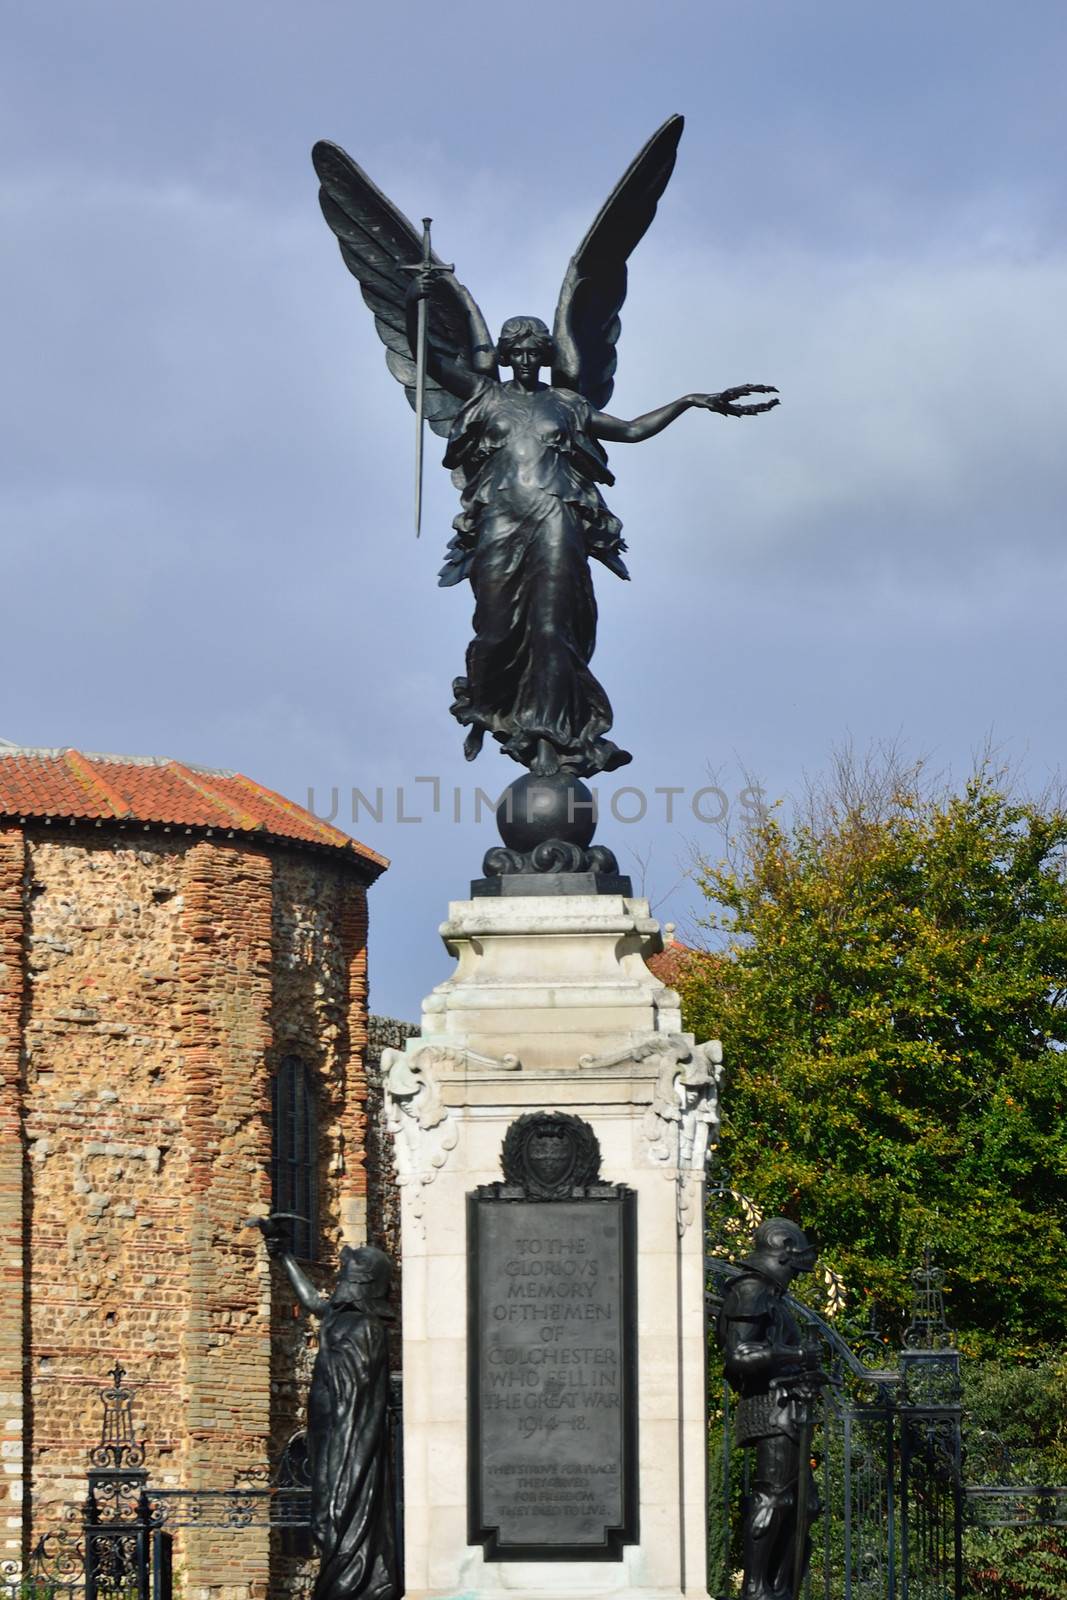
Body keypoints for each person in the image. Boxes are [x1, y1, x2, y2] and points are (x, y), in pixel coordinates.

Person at [408, 291, 776, 778]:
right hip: (500, 519)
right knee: (495, 629)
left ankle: (556, 733)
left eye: (532, 353)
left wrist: (691, 400)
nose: (523, 362)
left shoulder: (566, 403)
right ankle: (487, 705)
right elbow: (427, 356)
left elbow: (629, 430)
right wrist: (418, 300)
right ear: (503, 356)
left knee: (553, 629)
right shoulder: (484, 395)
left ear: (543, 357)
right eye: (515, 353)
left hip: (556, 513)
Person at [252, 1220, 397, 1600]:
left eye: (348, 1272)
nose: (341, 1278)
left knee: (337, 1507)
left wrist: (349, 1444)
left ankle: (355, 1582)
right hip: (327, 1426)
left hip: (347, 1433)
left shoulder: (366, 1328)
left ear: (362, 1281)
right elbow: (314, 1302)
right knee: (324, 1508)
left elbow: (360, 1399)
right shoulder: (342, 1314)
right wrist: (284, 1256)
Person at [715, 1218, 824, 1600]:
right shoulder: (751, 1289)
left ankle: (781, 1589)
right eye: (795, 1261)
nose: (798, 1271)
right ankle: (757, 1589)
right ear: (782, 1253)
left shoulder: (774, 1296)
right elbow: (740, 1356)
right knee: (775, 1498)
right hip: (769, 1408)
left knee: (805, 1505)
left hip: (791, 1409)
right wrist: (797, 1354)